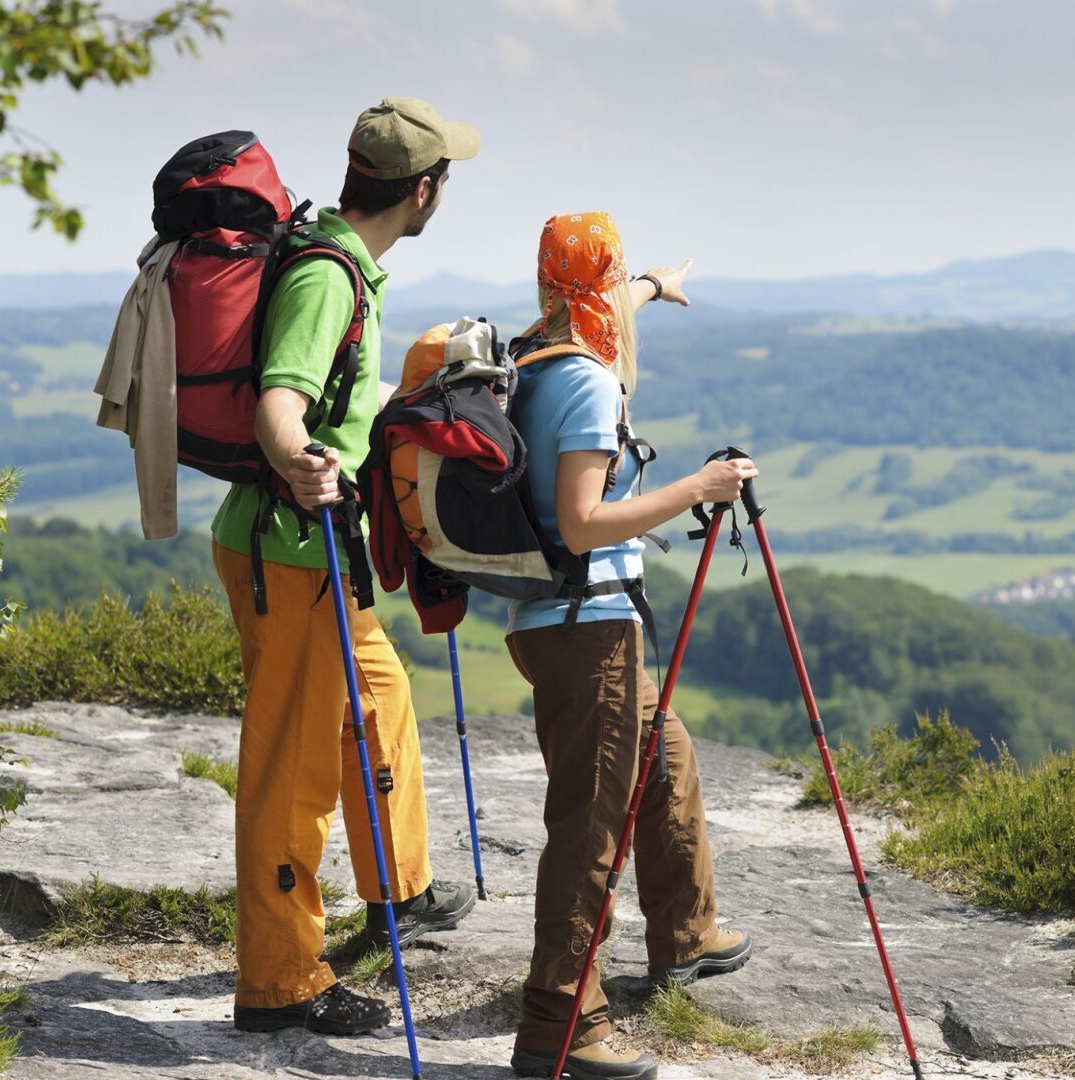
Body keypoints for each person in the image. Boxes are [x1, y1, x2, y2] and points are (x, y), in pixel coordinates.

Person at [209, 97, 481, 1036]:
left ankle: (398, 889)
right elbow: (281, 400)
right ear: (423, 191)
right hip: (290, 550)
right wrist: (302, 460)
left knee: (379, 699)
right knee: (293, 765)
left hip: (320, 550)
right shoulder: (328, 277)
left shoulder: (344, 259)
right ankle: (280, 982)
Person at [504, 212, 759, 1080]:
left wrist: (654, 283)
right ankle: (560, 1027)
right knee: (588, 829)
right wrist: (701, 485)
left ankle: (684, 936)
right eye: (618, 284)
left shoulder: (535, 350)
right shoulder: (585, 384)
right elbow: (580, 523)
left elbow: (604, 306)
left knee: (666, 749)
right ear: (596, 289)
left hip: (554, 623)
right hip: (588, 627)